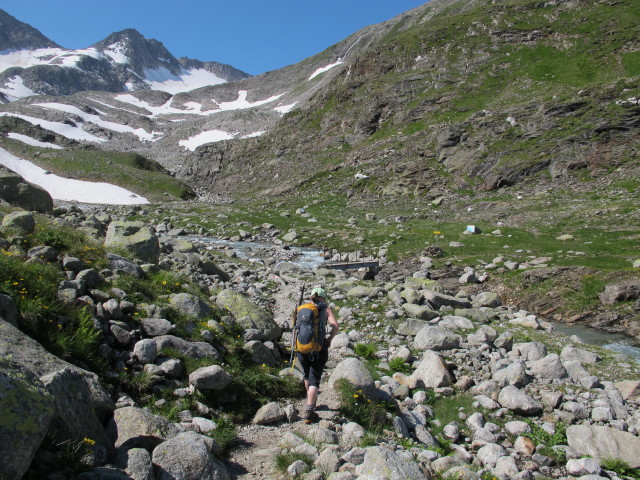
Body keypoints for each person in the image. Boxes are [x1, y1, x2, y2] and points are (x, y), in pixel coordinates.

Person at [298, 286, 339, 424]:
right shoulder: (325, 308)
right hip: (318, 348)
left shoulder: (303, 307)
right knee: (315, 378)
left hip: (302, 348)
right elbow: (335, 325)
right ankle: (309, 411)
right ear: (322, 297)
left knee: (306, 374)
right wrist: (329, 339)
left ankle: (311, 401)